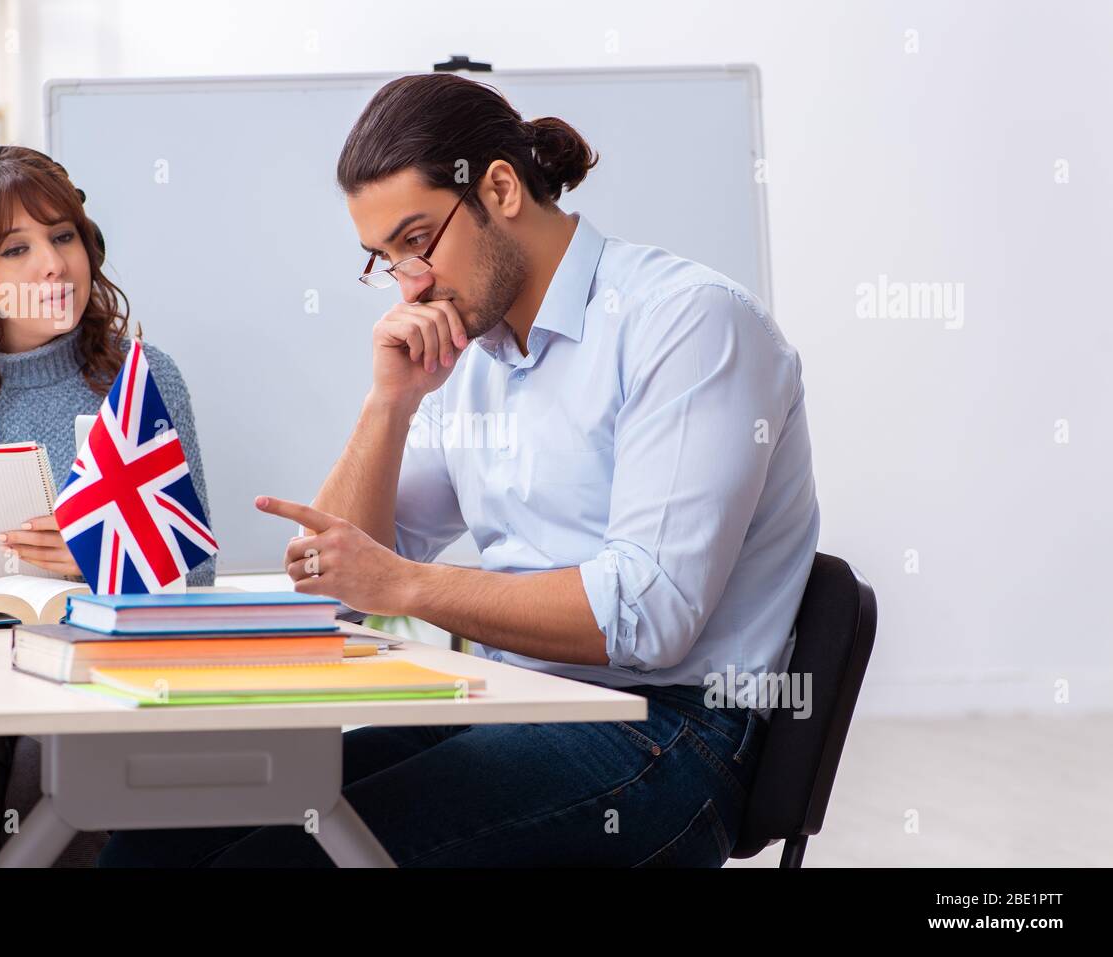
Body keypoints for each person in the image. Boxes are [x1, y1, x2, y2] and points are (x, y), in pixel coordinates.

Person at [101, 72, 818, 868]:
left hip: (670, 733)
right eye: (384, 258)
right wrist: (390, 404)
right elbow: (340, 580)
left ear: (501, 187)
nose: (411, 282)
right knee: (154, 839)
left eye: (417, 241)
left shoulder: (689, 322)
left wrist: (407, 584)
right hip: (516, 705)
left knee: (281, 860)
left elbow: (649, 615)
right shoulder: (470, 357)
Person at [0, 145, 215, 867]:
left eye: (63, 236)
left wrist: (108, 564)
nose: (53, 266)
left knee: (56, 788)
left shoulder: (142, 379)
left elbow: (198, 579)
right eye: (15, 248)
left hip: (91, 683)